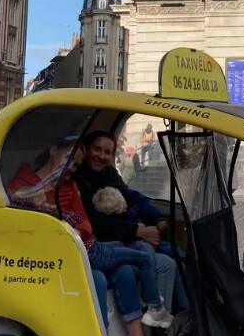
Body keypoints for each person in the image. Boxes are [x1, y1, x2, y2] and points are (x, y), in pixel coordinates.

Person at [7, 137, 170, 336]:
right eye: (69, 159)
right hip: (54, 259)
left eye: (74, 165)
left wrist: (66, 221)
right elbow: (24, 218)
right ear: (53, 150)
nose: (70, 168)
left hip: (84, 248)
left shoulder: (70, 186)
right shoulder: (23, 183)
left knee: (125, 270)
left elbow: (84, 223)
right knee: (99, 278)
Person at [74, 131, 189, 313]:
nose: (101, 156)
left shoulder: (108, 173)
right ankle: (171, 315)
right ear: (87, 149)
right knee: (168, 261)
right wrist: (136, 230)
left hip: (128, 233)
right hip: (110, 241)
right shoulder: (78, 180)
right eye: (97, 149)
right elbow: (95, 223)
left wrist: (157, 218)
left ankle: (187, 313)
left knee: (182, 253)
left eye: (107, 152)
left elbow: (133, 197)